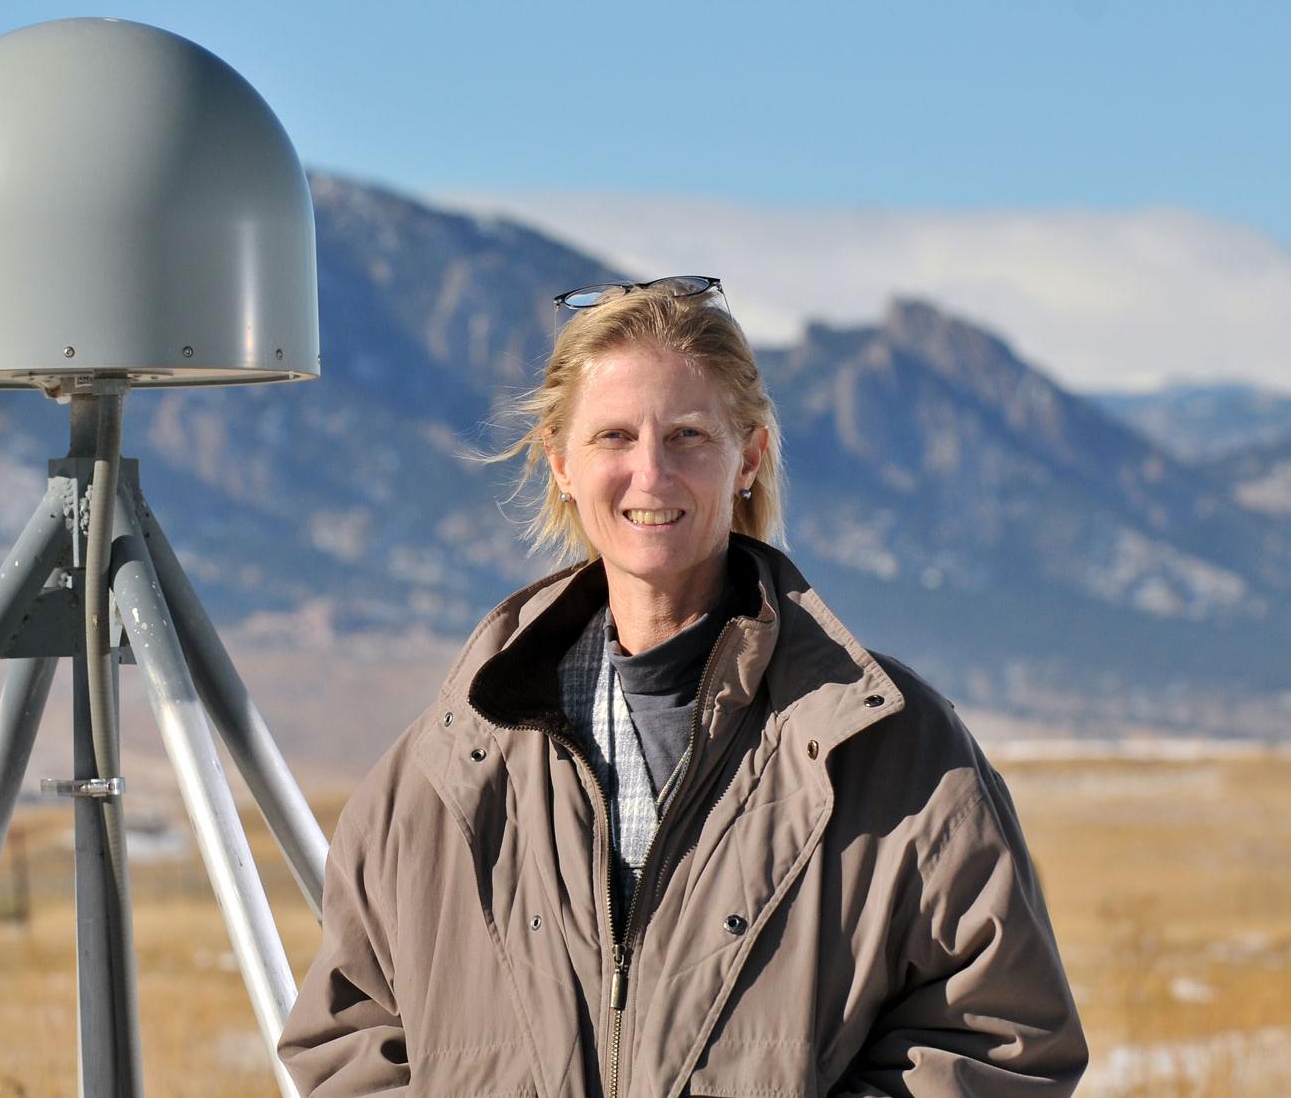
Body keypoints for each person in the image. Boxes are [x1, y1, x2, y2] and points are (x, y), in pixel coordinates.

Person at [276, 278, 1087, 1097]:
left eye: (689, 435)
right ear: (561, 463)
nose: (650, 472)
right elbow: (349, 1042)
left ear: (749, 457)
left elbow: (998, 1044)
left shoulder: (894, 753)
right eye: (614, 436)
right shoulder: (445, 770)